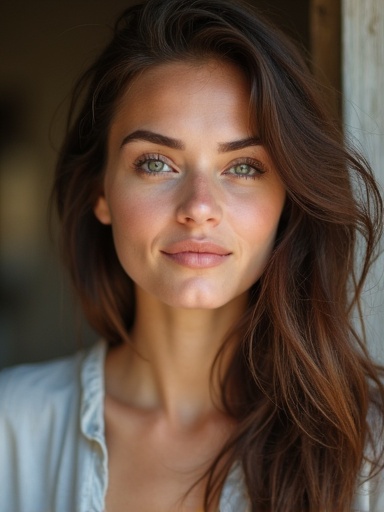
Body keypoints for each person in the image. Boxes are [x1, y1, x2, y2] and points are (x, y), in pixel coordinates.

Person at [1, 0, 383, 510]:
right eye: (156, 163)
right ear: (101, 191)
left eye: (244, 167)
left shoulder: (368, 451)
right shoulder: (12, 429)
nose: (200, 208)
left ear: (286, 199)